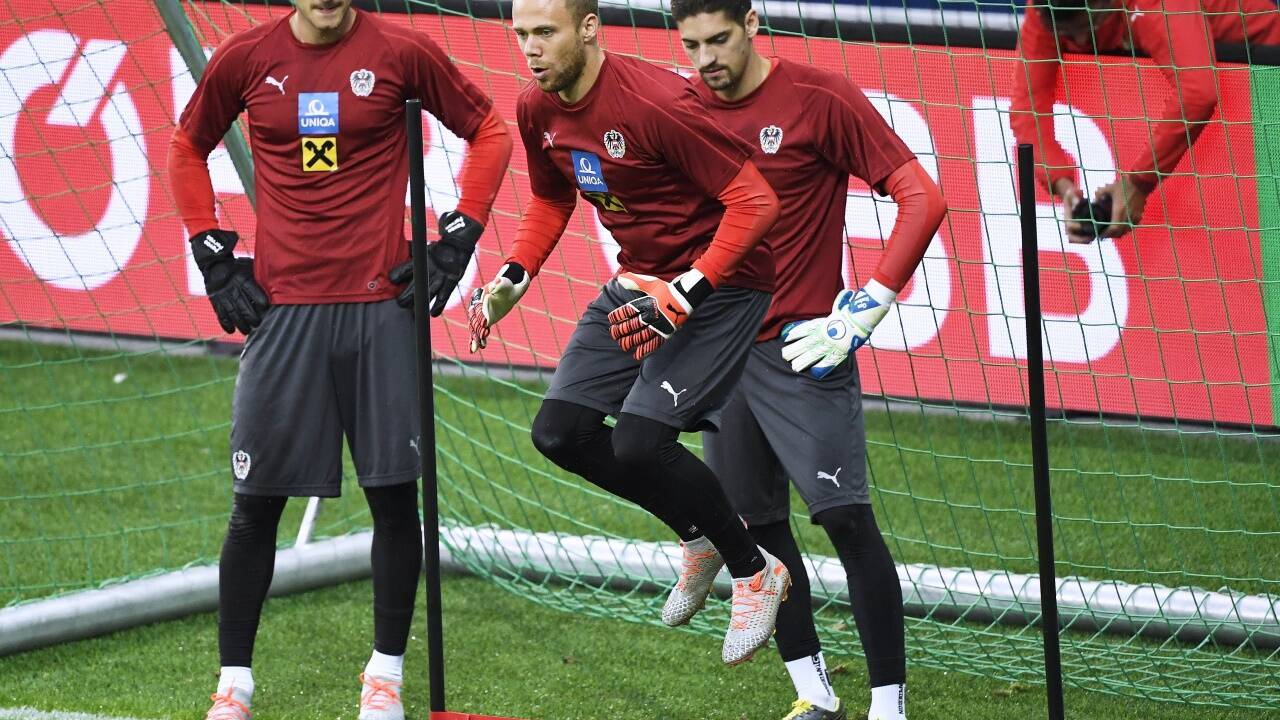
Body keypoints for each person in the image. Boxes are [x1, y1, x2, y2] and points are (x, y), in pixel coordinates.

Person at [168, 1, 512, 717]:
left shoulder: (402, 51)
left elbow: (490, 129)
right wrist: (210, 250)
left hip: (380, 309)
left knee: (393, 498)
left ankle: (384, 677)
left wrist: (458, 236)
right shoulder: (245, 57)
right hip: (284, 308)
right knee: (253, 504)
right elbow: (185, 144)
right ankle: (234, 686)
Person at [468, 0, 791, 667]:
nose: (530, 48)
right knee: (561, 432)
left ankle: (756, 571)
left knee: (644, 441)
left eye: (545, 32)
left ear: (589, 28)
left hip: (724, 283)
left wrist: (684, 293)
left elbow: (756, 203)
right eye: (521, 34)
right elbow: (552, 197)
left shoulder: (656, 103)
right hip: (642, 281)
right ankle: (697, 536)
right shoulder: (536, 107)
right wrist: (514, 275)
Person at [671, 1, 947, 718]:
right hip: (722, 352)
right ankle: (812, 696)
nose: (707, 60)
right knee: (755, 528)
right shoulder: (678, 105)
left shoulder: (820, 98)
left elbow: (923, 197)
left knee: (847, 520)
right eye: (692, 44)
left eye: (720, 40)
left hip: (804, 349)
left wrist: (868, 304)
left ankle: (889, 707)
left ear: (753, 23)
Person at [1011, 0, 1280, 243]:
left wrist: (1138, 183)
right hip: (1207, 115)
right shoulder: (1047, 9)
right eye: (1067, 34)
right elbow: (1027, 107)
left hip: (1266, 81)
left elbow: (1198, 93)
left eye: (1089, 25)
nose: (1080, 40)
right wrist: (1061, 183)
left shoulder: (1158, 6)